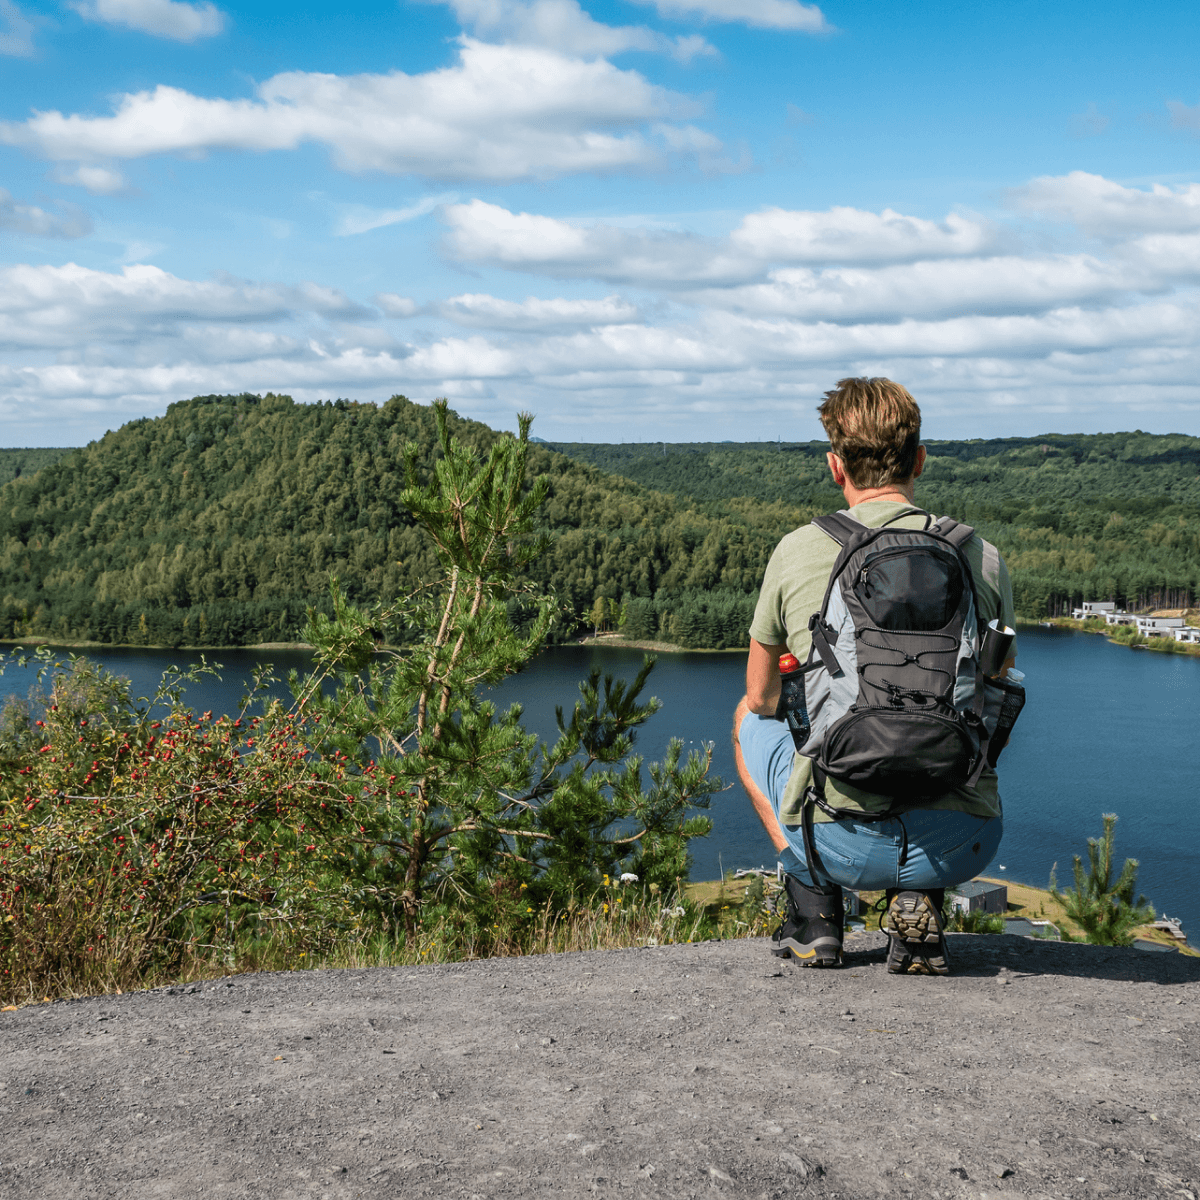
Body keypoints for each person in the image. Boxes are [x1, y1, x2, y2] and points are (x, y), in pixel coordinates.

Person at [733, 377, 1016, 975]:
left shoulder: (797, 550)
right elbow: (995, 688)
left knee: (744, 720)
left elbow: (761, 697)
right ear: (919, 459)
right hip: (960, 843)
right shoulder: (980, 555)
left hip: (839, 842)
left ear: (836, 466)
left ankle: (814, 919)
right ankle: (918, 903)